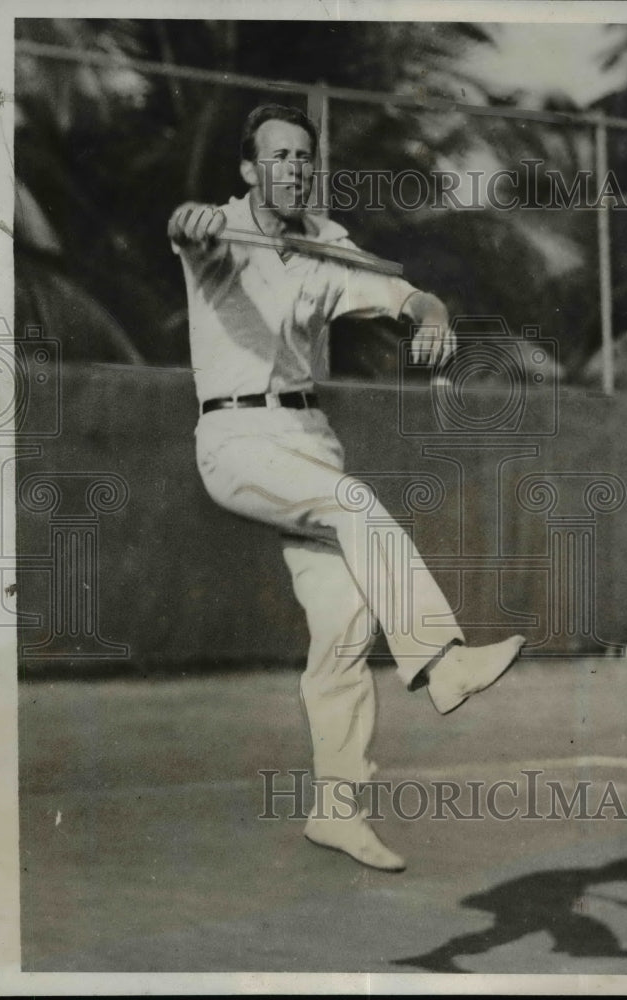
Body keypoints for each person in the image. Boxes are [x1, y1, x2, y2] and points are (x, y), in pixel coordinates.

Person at [168, 103, 525, 872]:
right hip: (236, 442)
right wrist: (191, 220)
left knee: (344, 626)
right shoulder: (221, 230)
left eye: (302, 156)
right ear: (247, 168)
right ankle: (442, 660)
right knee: (358, 507)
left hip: (306, 442)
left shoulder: (326, 244)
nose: (291, 167)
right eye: (276, 156)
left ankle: (337, 811)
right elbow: (186, 228)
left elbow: (406, 297)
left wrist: (433, 315)